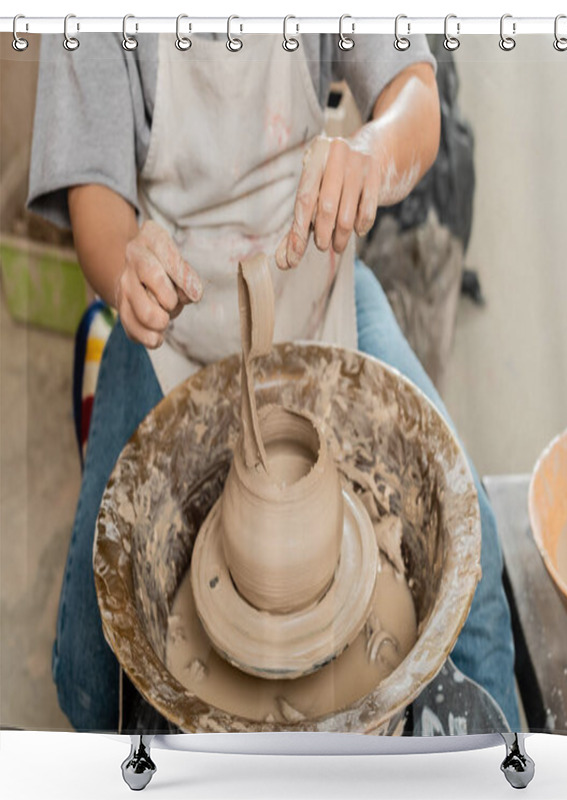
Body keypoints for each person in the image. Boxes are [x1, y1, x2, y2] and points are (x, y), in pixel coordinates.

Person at [28, 31, 519, 732]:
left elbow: (415, 92)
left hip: (314, 275)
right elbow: (96, 200)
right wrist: (126, 269)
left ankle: (502, 766)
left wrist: (371, 153)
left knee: (472, 555)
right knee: (90, 662)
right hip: (173, 307)